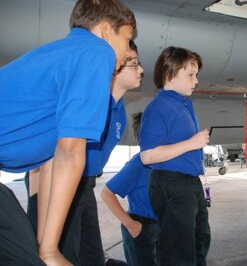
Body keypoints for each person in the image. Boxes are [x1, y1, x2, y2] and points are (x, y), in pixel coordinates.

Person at [0, 0, 136, 266]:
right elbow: (71, 152)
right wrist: (49, 251)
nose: (127, 52)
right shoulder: (97, 52)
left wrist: (45, 247)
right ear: (107, 31)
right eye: (128, 39)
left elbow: (52, 163)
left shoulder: (65, 53)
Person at [27, 40, 143, 266]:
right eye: (134, 64)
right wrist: (37, 199)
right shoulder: (89, 103)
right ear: (115, 70)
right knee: (62, 254)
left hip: (85, 186)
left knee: (92, 257)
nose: (141, 70)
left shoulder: (118, 112)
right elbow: (49, 147)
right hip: (61, 183)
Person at [139, 46, 211, 266]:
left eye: (196, 75)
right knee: (178, 252)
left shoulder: (181, 103)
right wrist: (191, 144)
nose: (195, 81)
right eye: (190, 75)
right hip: (171, 183)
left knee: (199, 242)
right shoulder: (159, 107)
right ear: (169, 75)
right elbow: (148, 156)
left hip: (188, 183)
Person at [101, 112, 159, 266]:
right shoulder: (138, 164)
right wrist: (130, 225)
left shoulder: (165, 162)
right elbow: (106, 193)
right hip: (141, 227)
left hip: (163, 225)